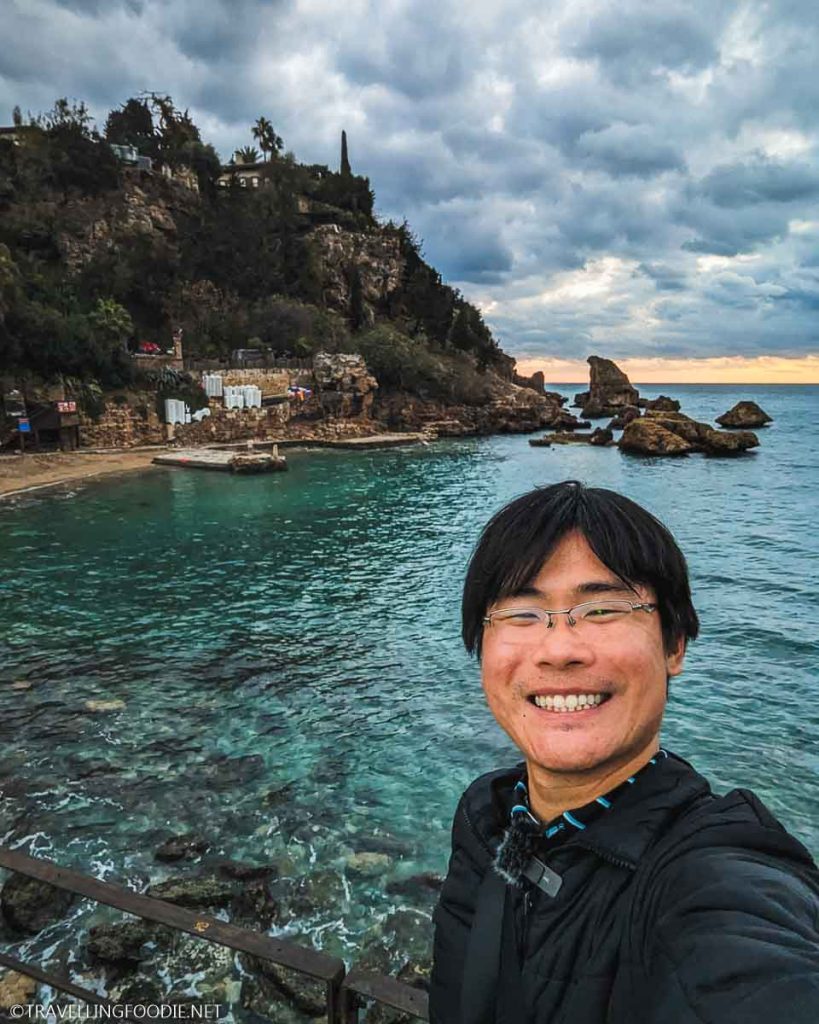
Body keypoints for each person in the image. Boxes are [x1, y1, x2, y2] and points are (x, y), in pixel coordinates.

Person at [430, 480, 819, 1024]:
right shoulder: (486, 818)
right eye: (521, 614)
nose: (560, 649)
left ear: (674, 644)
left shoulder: (711, 874)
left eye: (604, 609)